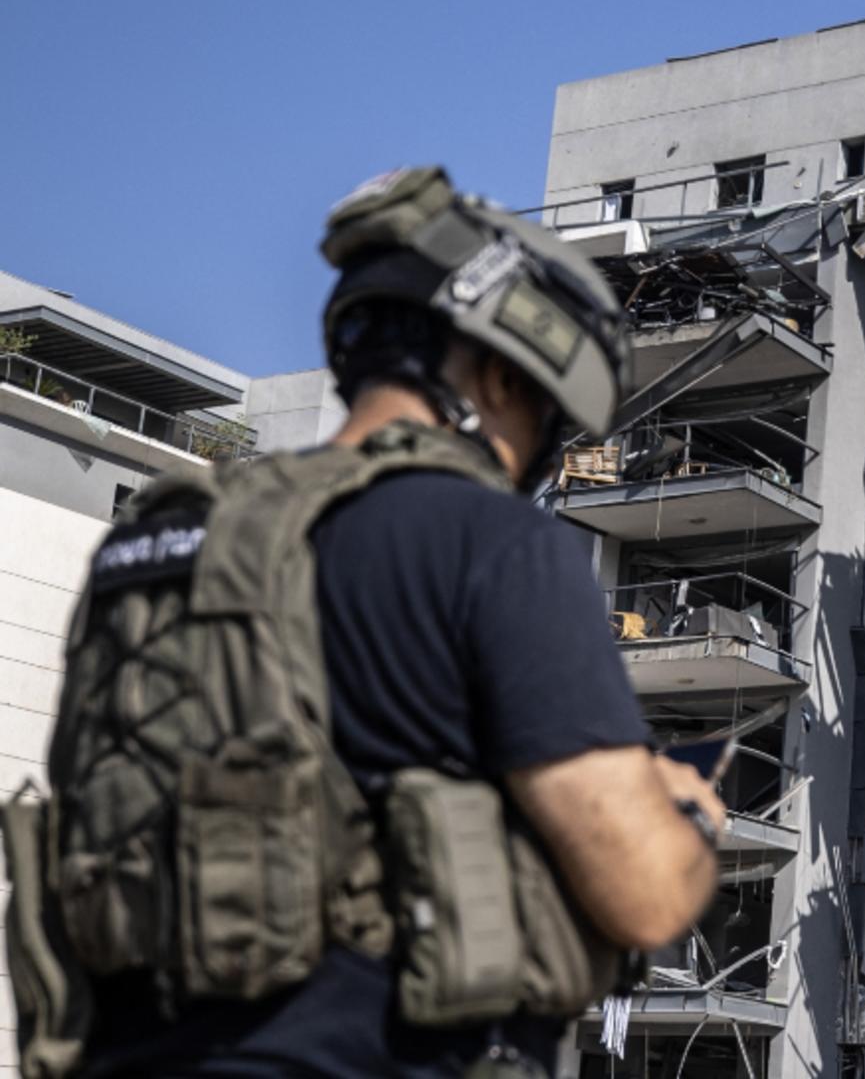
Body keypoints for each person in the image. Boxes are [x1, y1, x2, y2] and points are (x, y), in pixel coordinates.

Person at [40, 167, 725, 1078]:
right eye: (548, 425)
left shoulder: (150, 544)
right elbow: (644, 895)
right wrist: (686, 818)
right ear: (501, 373)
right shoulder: (489, 538)